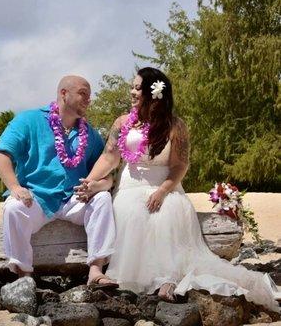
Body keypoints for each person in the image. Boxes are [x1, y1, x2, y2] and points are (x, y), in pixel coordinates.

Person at [75, 67, 279, 312]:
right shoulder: (123, 122)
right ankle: (134, 279)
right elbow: (109, 159)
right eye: (133, 86)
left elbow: (181, 165)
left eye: (137, 88)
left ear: (154, 93)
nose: (132, 92)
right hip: (130, 186)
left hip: (165, 185)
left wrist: (162, 191)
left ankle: (167, 278)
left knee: (168, 213)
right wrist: (89, 180)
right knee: (131, 212)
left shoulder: (175, 125)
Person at [0, 75, 117, 286]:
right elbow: (2, 153)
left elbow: (107, 172)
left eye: (90, 95)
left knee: (103, 199)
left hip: (74, 199)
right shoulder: (29, 120)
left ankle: (96, 270)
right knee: (14, 208)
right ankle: (24, 275)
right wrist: (14, 187)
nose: (89, 100)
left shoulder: (90, 134)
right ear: (64, 93)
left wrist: (100, 185)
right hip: (36, 198)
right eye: (83, 94)